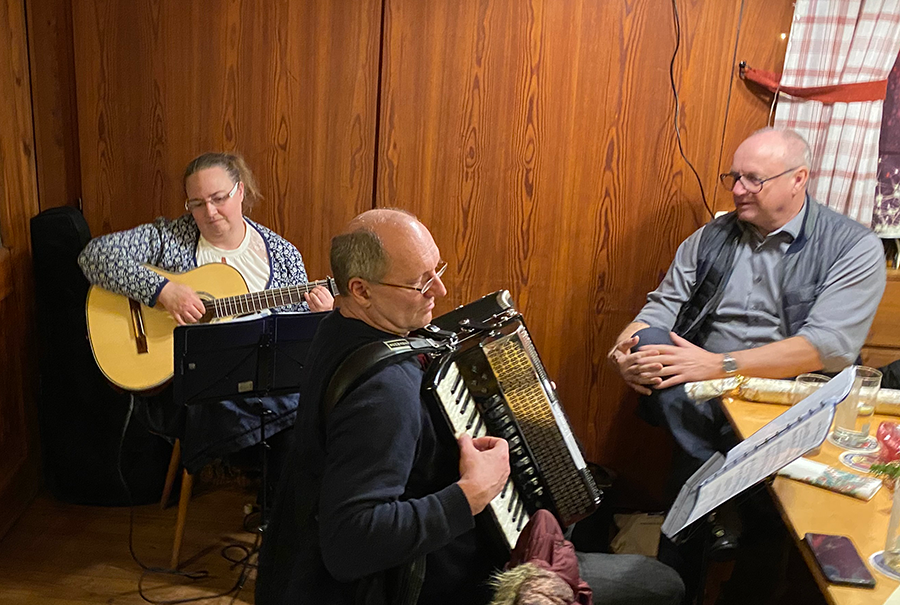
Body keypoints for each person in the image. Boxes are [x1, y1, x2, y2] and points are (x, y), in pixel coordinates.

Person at [256, 209, 684, 605]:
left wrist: (497, 405)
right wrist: (472, 494)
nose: (439, 290)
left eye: (436, 271)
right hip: (440, 584)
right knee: (662, 585)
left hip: (411, 553)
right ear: (360, 290)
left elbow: (406, 440)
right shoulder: (383, 393)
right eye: (421, 283)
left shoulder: (337, 328)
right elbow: (350, 544)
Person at [608, 128, 887, 601]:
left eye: (753, 180)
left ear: (799, 179)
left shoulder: (853, 247)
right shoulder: (709, 239)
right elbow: (660, 307)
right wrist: (624, 351)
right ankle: (715, 516)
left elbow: (831, 346)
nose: (737, 190)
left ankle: (718, 509)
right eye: (734, 177)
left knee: (693, 478)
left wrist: (720, 365)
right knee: (654, 349)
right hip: (700, 390)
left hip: (790, 394)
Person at [78, 152, 333, 473]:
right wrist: (162, 292)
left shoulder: (282, 254)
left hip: (262, 381)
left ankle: (279, 501)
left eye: (218, 198)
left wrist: (319, 317)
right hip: (193, 384)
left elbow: (295, 342)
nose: (209, 212)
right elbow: (94, 256)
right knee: (299, 422)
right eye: (197, 203)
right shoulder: (171, 238)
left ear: (240, 191)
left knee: (304, 415)